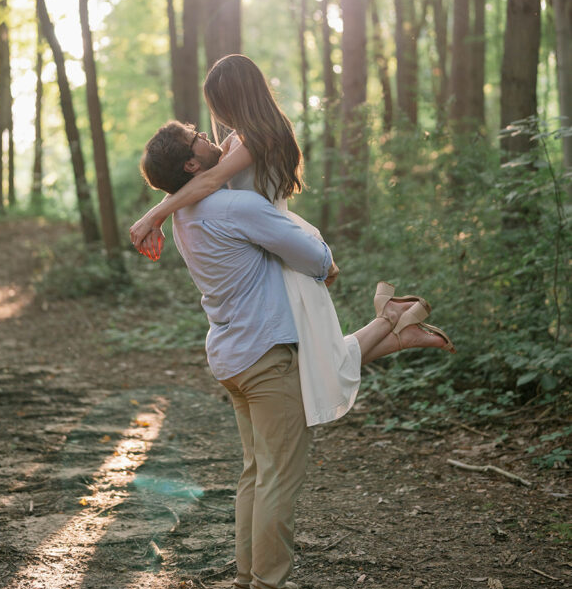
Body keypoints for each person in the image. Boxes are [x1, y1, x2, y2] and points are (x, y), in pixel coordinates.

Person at [138, 120, 451, 589]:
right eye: (196, 135)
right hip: (266, 357)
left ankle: (248, 584)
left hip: (234, 356)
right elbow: (315, 257)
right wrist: (323, 260)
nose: (206, 134)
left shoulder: (186, 216)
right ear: (192, 164)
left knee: (257, 474)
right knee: (279, 477)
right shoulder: (234, 205)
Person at [131, 55, 454, 427]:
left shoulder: (256, 139)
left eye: (217, 104)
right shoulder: (239, 139)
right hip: (265, 244)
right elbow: (198, 183)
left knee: (318, 359)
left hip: (278, 244)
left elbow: (205, 182)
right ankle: (397, 326)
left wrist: (152, 215)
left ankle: (394, 323)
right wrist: (160, 210)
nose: (213, 118)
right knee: (317, 357)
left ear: (233, 98)